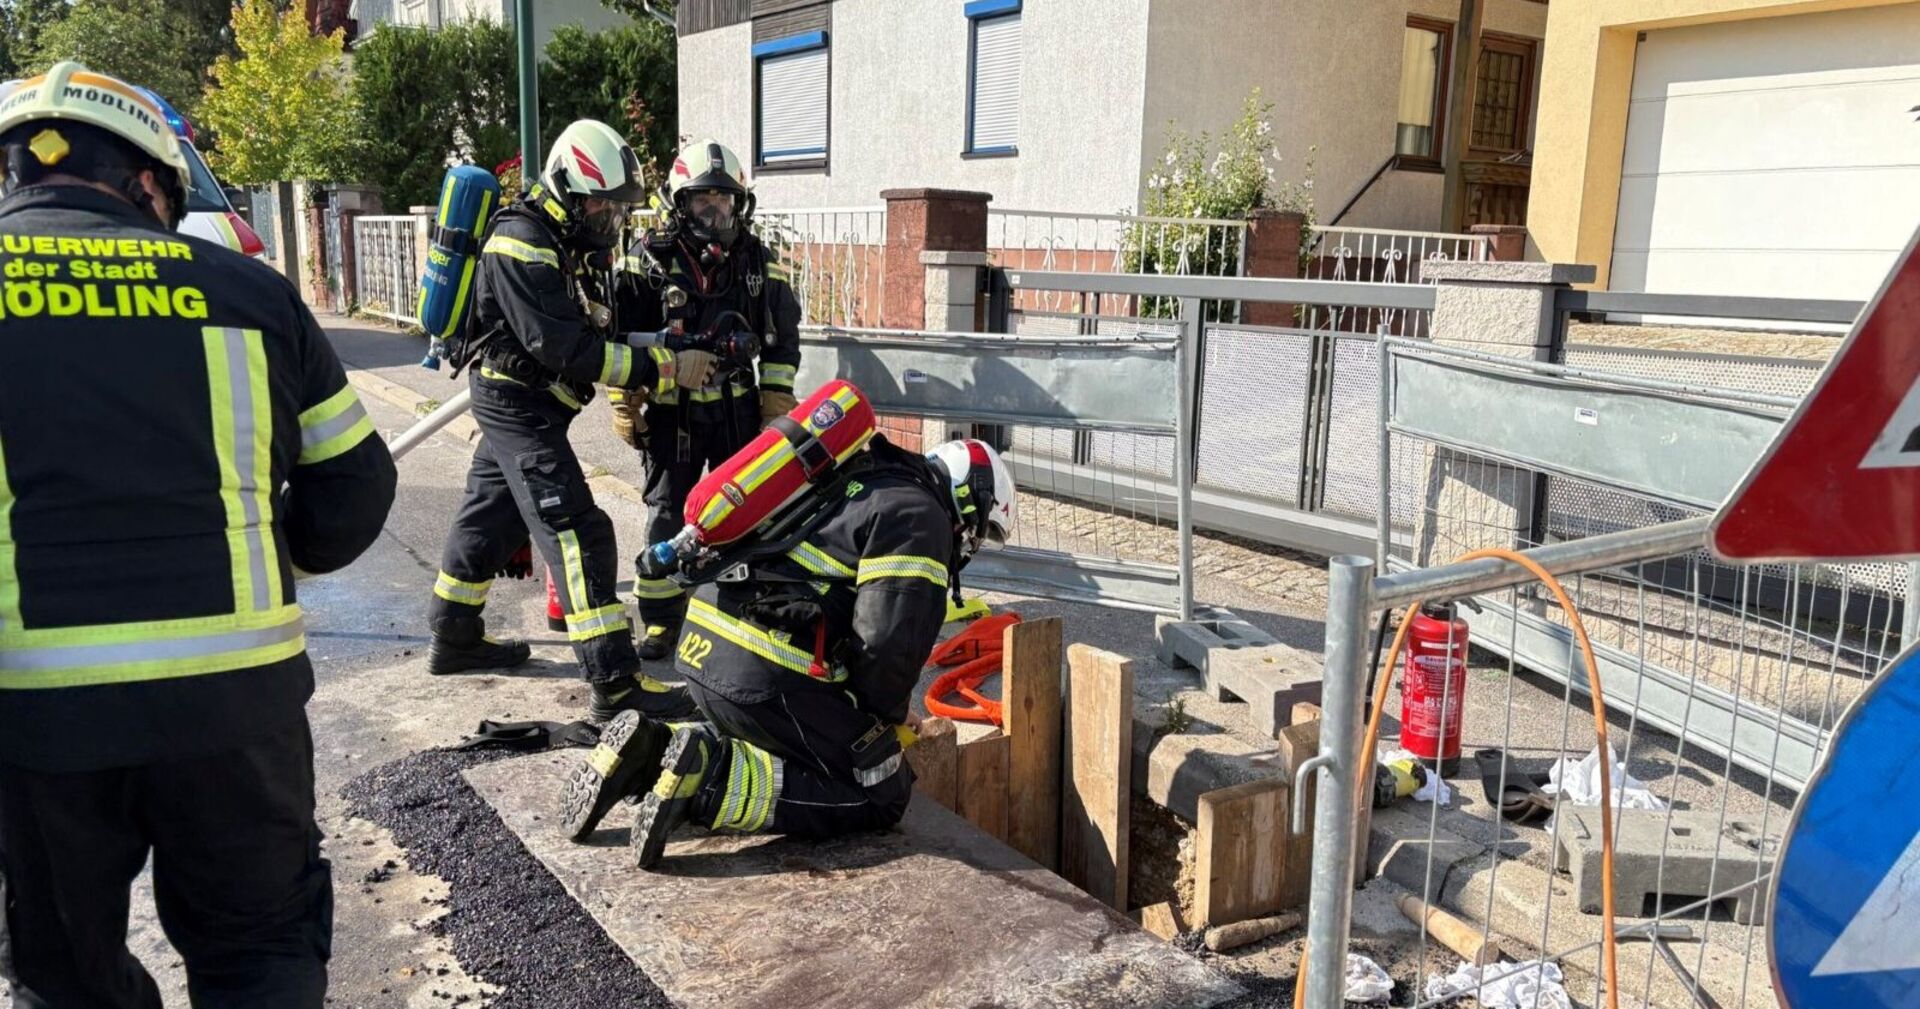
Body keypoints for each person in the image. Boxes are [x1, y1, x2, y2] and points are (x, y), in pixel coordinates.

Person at [0, 63, 397, 1007]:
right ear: (148, 183)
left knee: (65, 974)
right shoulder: (247, 291)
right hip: (233, 712)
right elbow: (355, 488)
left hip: (33, 716)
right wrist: (277, 549)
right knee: (261, 952)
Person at [556, 430, 1016, 865]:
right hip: (761, 672)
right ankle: (707, 782)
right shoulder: (921, 519)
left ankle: (651, 750)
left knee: (795, 746)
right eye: (983, 531)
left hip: (702, 649)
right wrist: (889, 715)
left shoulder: (863, 476)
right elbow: (884, 650)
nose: (974, 543)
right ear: (969, 499)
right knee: (881, 787)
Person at [425, 119, 699, 722]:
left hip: (530, 402)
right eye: (601, 205)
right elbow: (565, 348)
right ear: (566, 189)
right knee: (580, 532)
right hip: (516, 403)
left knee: (489, 515)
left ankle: (454, 633)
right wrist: (661, 370)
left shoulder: (570, 239)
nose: (611, 219)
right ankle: (616, 683)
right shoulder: (522, 242)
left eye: (616, 208)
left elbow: (602, 321)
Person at [608, 139, 803, 663]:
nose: (716, 211)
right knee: (668, 513)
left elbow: (782, 340)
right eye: (702, 200)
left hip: (739, 411)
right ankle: (661, 618)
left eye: (725, 200)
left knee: (749, 509)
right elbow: (620, 335)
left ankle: (746, 611)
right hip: (673, 413)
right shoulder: (648, 260)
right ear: (679, 203)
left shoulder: (760, 264)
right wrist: (623, 397)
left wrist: (776, 399)